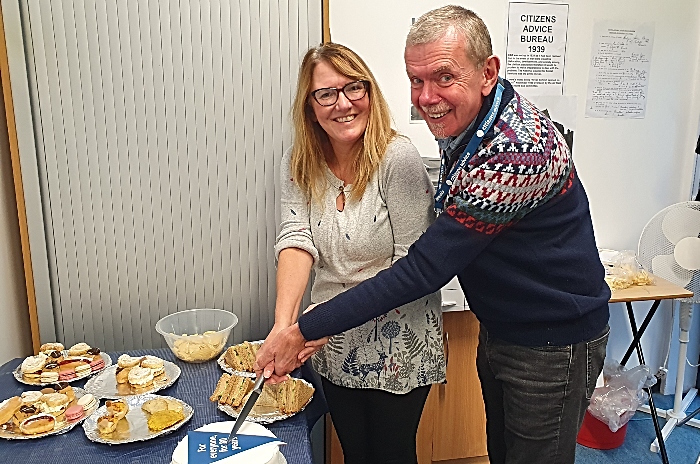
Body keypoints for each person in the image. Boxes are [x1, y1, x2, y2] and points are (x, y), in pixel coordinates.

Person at [256, 6, 611, 464]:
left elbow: (423, 269)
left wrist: (304, 328)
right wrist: (292, 326)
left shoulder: (514, 149)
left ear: (488, 73)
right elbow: (297, 236)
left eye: (444, 77)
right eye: (416, 80)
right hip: (504, 327)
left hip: (553, 339)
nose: (427, 98)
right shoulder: (468, 125)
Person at [261, 42, 446, 464]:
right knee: (356, 454)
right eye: (326, 93)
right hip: (332, 343)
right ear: (310, 107)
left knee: (392, 455)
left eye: (354, 88)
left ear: (370, 93)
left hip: (399, 343)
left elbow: (414, 267)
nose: (342, 103)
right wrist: (283, 328)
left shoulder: (396, 158)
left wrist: (311, 328)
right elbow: (296, 239)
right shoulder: (300, 161)